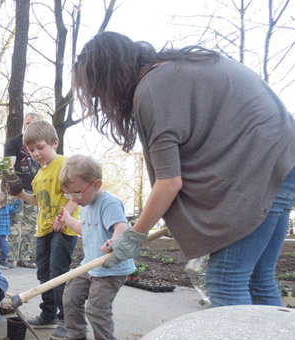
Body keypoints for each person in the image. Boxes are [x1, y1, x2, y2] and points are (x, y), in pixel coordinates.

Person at [73, 31, 295, 307]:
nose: (97, 97)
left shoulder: (152, 89)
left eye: (96, 88)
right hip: (283, 160)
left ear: (109, 75)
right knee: (257, 279)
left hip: (259, 165)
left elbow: (169, 183)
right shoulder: (173, 71)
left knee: (226, 280)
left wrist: (134, 236)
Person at [53, 154, 134, 340]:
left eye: (76, 192)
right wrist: (69, 220)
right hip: (90, 265)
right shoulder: (85, 204)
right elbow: (86, 231)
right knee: (70, 296)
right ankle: (78, 337)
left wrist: (113, 243)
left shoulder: (109, 203)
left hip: (111, 268)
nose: (73, 198)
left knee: (97, 307)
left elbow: (121, 227)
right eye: (68, 194)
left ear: (96, 184)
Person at [15, 120, 79, 337]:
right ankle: (48, 314)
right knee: (43, 273)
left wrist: (66, 215)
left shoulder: (65, 164)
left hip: (63, 229)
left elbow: (76, 194)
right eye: (31, 150)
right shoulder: (39, 174)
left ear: (54, 143)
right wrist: (21, 195)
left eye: (40, 147)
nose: (36, 153)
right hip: (43, 230)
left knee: (58, 274)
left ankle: (66, 321)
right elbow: (39, 201)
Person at [4, 112, 40, 268]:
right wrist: (14, 187)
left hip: (34, 192)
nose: (28, 126)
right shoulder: (14, 142)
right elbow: (8, 165)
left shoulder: (41, 145)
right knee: (15, 225)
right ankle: (11, 258)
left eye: (32, 124)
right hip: (17, 191)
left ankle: (24, 258)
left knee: (29, 227)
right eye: (26, 123)